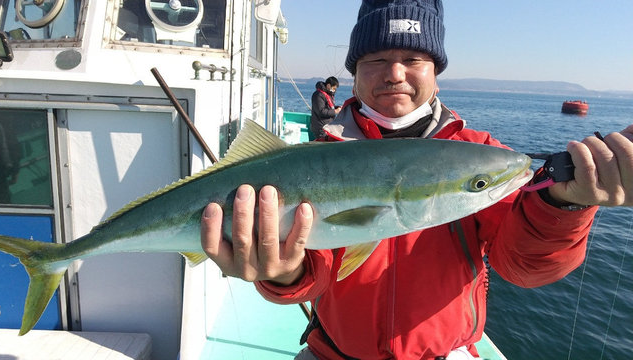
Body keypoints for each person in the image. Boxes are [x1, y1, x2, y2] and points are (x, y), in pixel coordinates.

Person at [201, 0, 633, 359]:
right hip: (331, 352)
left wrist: (564, 205)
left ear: (436, 70)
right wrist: (282, 273)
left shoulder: (479, 156)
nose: (394, 73)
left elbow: (520, 266)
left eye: (413, 59)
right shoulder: (323, 152)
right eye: (376, 60)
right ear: (355, 69)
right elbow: (316, 272)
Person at [310, 76, 341, 140]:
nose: (334, 90)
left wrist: (337, 108)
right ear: (329, 85)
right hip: (321, 127)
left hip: (328, 126)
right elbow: (321, 111)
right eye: (333, 88)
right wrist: (335, 111)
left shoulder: (329, 94)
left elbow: (328, 107)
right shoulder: (318, 95)